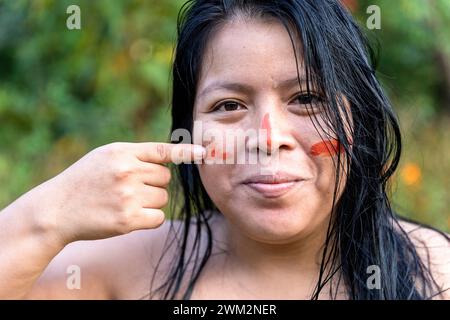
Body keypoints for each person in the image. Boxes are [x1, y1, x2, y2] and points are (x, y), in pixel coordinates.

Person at [0, 0, 448, 300]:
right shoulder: (127, 265)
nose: (268, 137)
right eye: (229, 105)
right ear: (188, 132)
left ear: (360, 120)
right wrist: (49, 215)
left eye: (308, 99)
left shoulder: (435, 276)